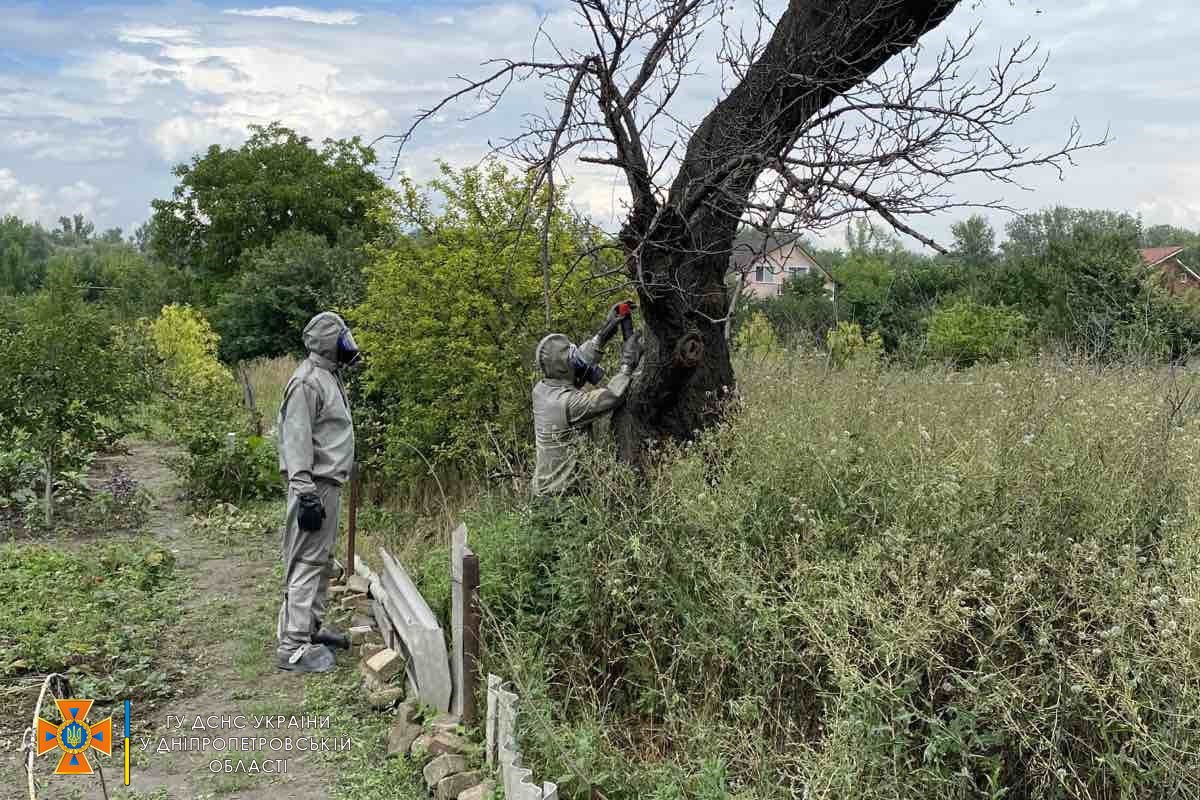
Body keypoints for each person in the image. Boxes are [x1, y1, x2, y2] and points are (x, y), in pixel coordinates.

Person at [275, 311, 360, 673]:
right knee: (307, 561)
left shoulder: (327, 377)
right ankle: (293, 644)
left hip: (327, 484)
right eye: (343, 337)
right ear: (330, 341)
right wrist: (306, 492)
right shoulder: (307, 382)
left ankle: (310, 628)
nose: (349, 344)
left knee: (320, 560)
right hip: (315, 486)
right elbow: (296, 441)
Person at [531, 303, 642, 497]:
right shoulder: (568, 404)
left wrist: (604, 333)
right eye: (572, 359)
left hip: (544, 494)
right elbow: (611, 396)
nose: (578, 360)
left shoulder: (541, 389)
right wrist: (627, 364)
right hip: (562, 501)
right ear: (565, 368)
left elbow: (577, 360)